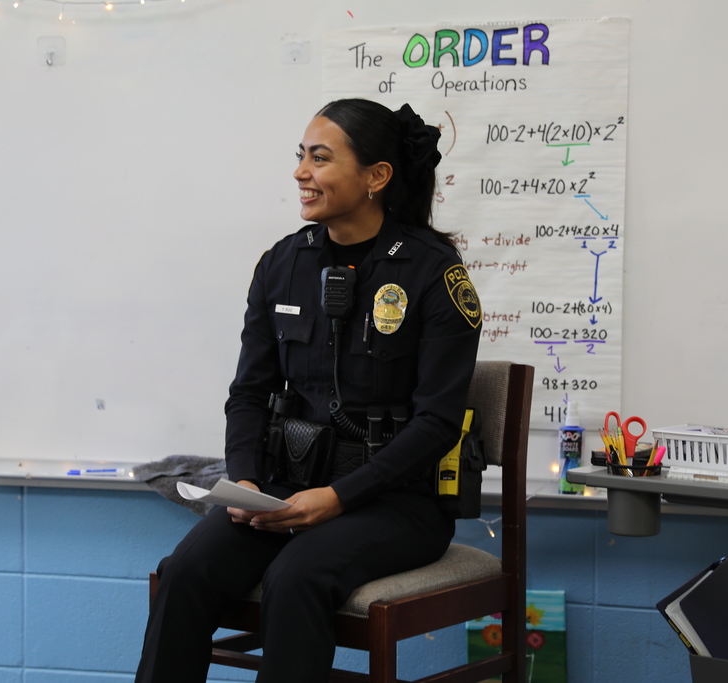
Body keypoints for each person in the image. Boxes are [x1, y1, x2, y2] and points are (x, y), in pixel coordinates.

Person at [134, 98, 482, 683]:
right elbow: (249, 391)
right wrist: (244, 482)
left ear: (376, 176)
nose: (301, 172)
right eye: (301, 156)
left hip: (397, 504)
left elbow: (438, 423)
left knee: (296, 578)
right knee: (186, 570)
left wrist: (340, 496)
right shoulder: (282, 263)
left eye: (320, 159)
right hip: (282, 490)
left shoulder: (432, 272)